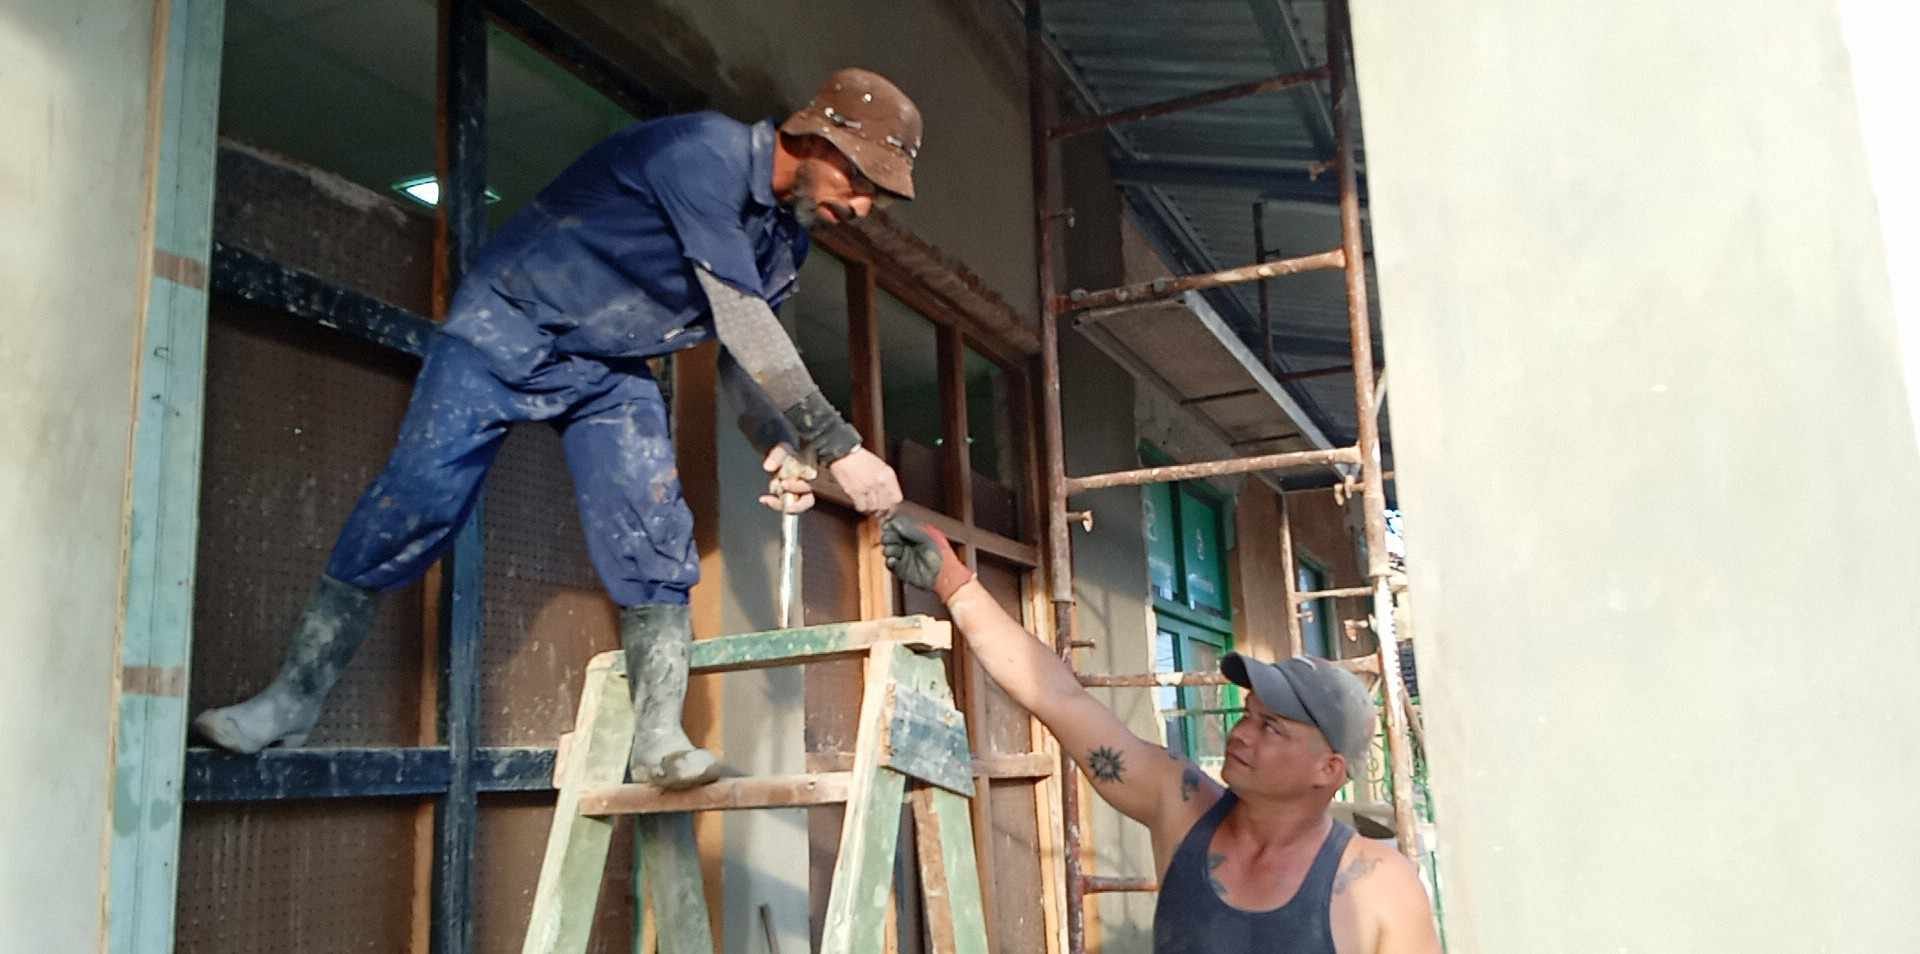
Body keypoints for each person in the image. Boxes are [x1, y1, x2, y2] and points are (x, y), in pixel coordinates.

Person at [192, 69, 924, 792]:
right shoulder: (704, 151)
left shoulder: (784, 241)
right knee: (415, 505)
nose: (862, 205)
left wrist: (773, 438)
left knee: (654, 529)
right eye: (860, 181)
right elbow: (742, 316)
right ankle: (290, 700)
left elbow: (735, 352)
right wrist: (839, 447)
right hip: (506, 324)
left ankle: (659, 743)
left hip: (605, 364)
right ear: (816, 138)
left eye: (877, 197)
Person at [880, 519, 1441, 954]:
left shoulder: (1376, 884)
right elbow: (1059, 697)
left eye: (1271, 727)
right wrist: (954, 583)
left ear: (1329, 770)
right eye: (1248, 713)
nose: (1242, 733)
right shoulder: (1182, 805)